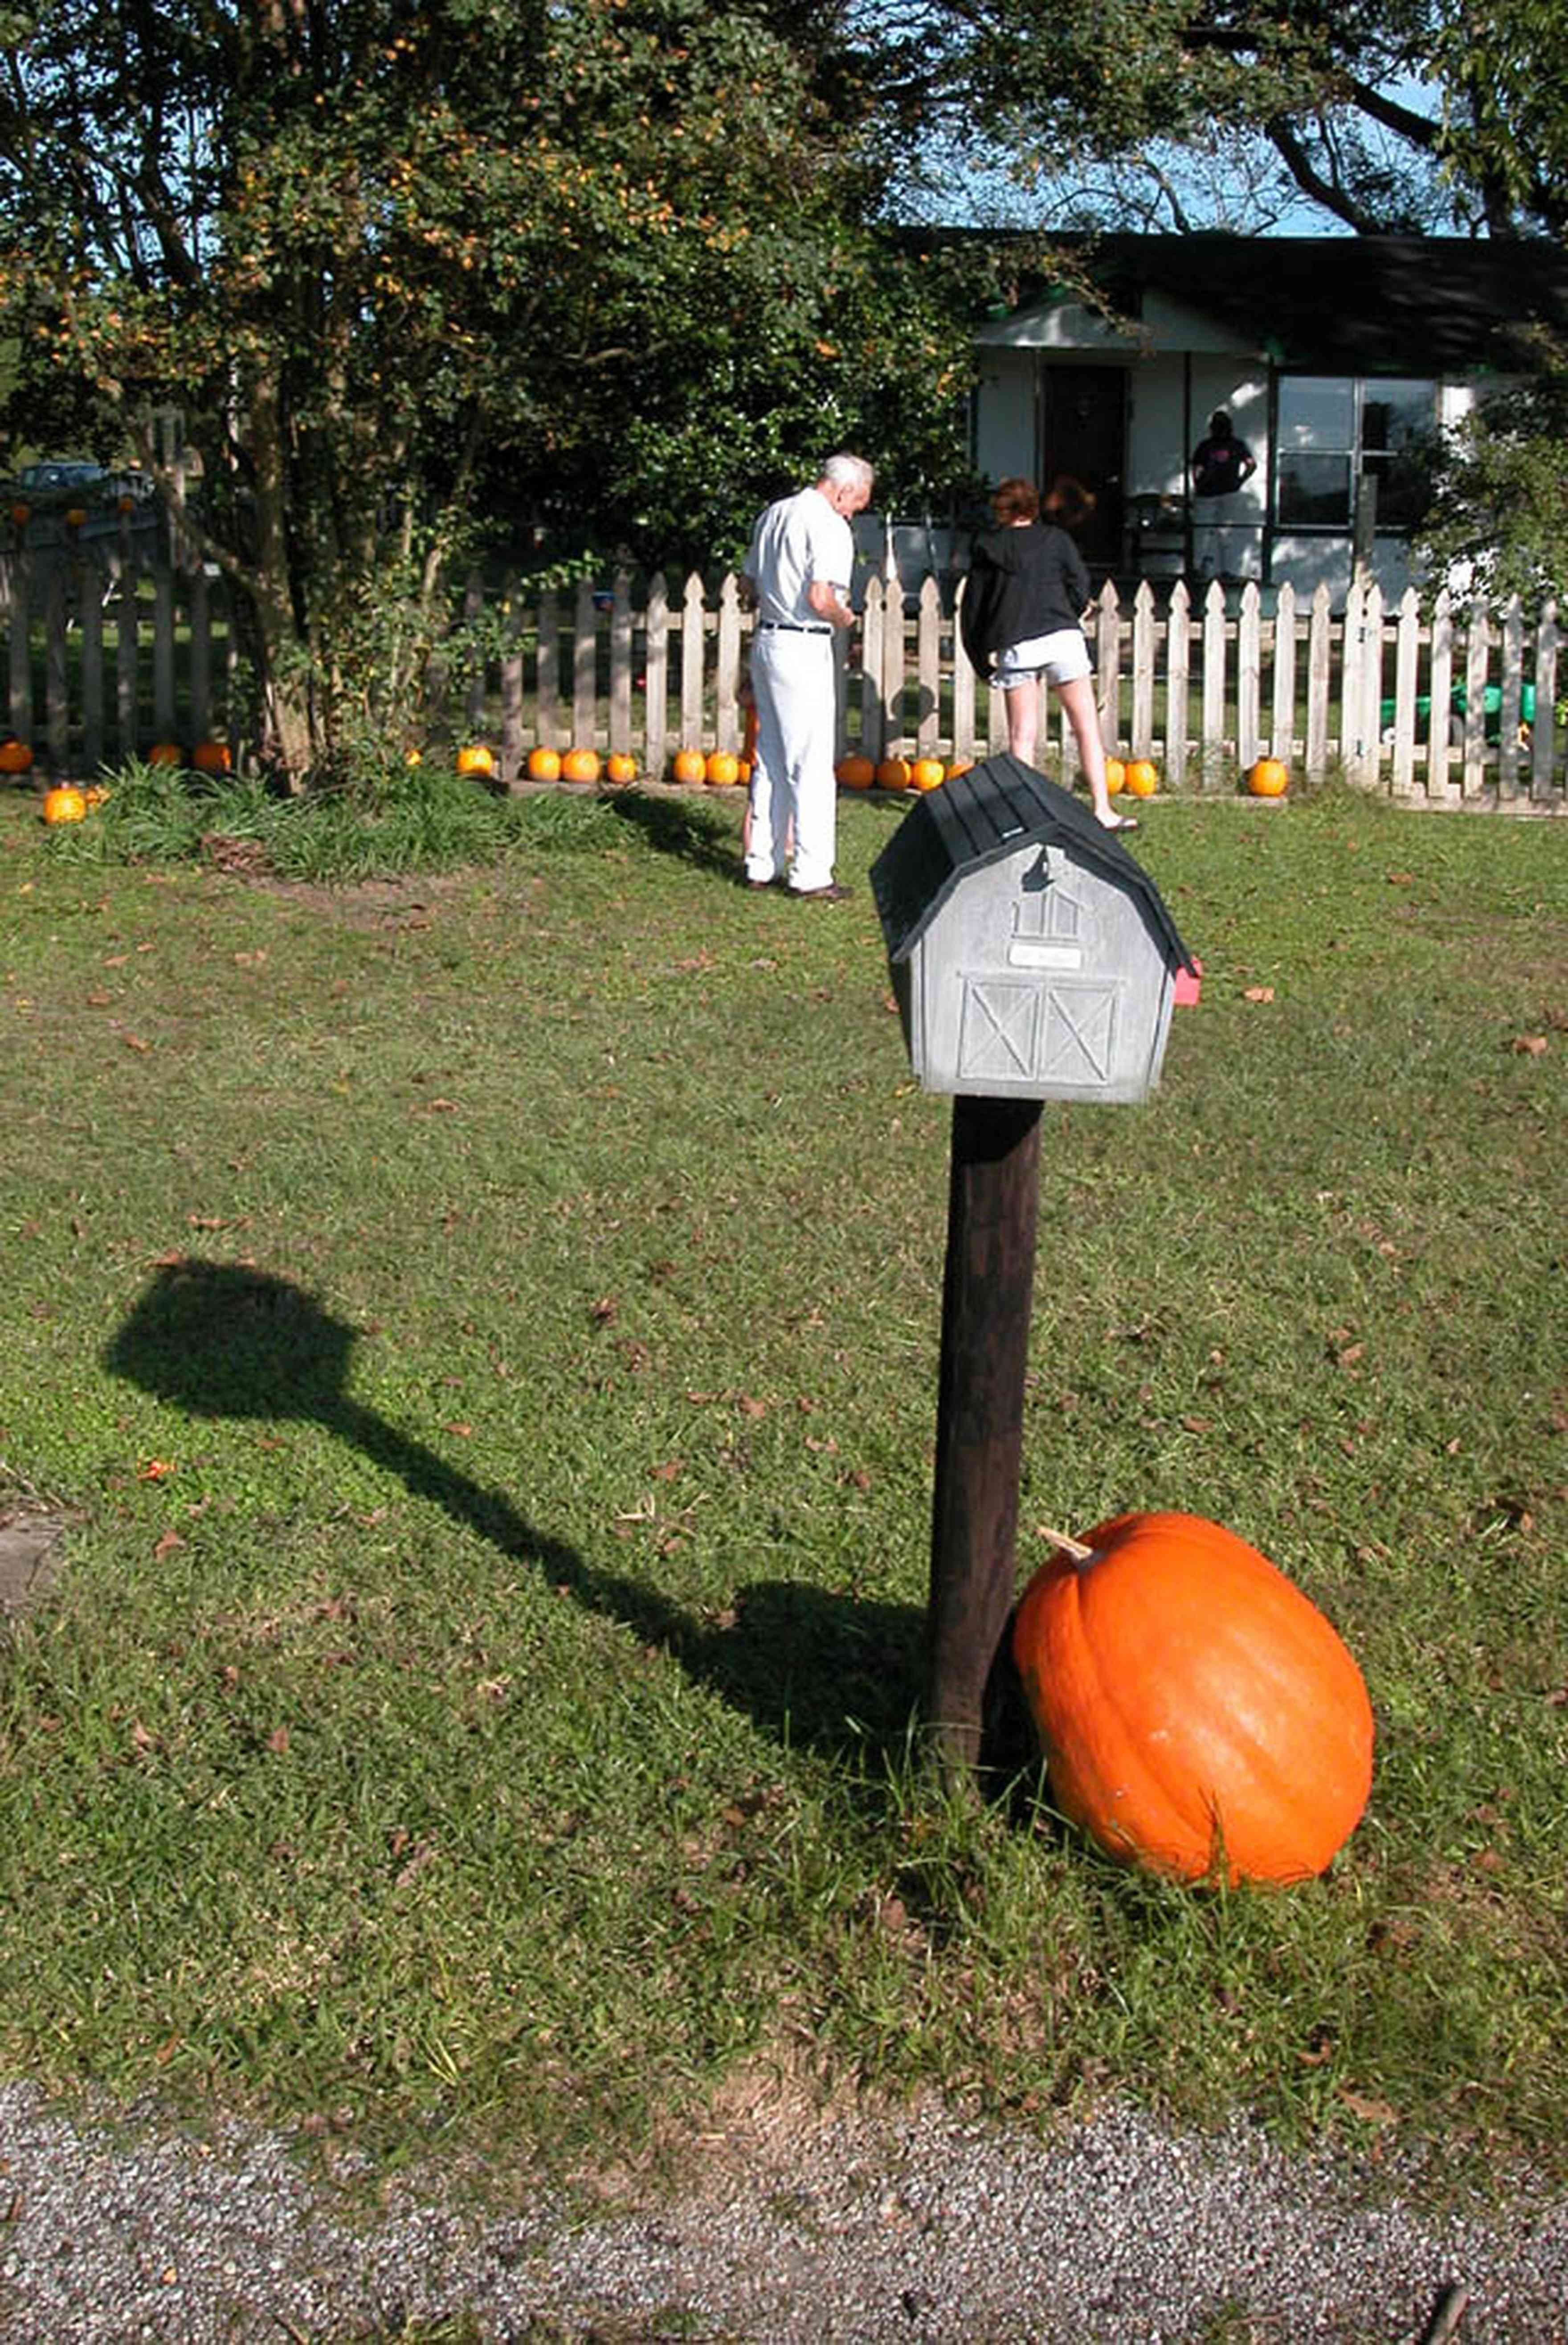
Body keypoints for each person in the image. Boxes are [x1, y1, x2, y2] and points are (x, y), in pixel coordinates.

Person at [959, 475, 1135, 833]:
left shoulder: (988, 547)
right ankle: (1102, 808)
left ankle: (1025, 817)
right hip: (1060, 637)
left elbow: (973, 609)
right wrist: (1070, 611)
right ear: (1033, 508)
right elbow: (1080, 582)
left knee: (1022, 736)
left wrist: (980, 659)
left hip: (1016, 644)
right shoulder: (1056, 540)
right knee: (1086, 726)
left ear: (1001, 511)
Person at [742, 453, 873, 899]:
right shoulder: (831, 526)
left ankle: (762, 861)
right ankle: (812, 873)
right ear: (840, 490)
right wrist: (845, 618)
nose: (855, 510)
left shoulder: (774, 513)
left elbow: (747, 586)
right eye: (857, 500)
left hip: (768, 638)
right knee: (812, 762)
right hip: (803, 642)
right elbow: (821, 597)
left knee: (771, 756)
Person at [1189, 410, 1256, 499]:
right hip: (1222, 493)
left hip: (1212, 493)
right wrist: (1239, 482)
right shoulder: (1237, 445)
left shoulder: (1205, 446)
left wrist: (1198, 485)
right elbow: (1251, 465)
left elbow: (1197, 469)